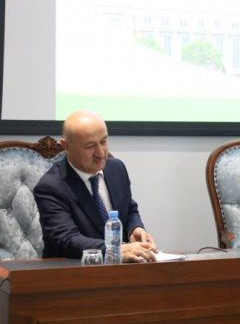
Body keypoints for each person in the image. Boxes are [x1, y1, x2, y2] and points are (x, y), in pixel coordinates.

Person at [34, 111, 157, 261]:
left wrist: (134, 228)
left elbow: (129, 208)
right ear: (66, 146)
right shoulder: (51, 187)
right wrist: (114, 251)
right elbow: (66, 240)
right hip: (74, 269)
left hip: (123, 267)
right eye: (90, 146)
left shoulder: (116, 168)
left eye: (103, 141)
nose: (101, 152)